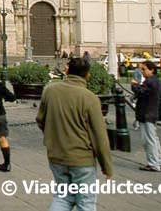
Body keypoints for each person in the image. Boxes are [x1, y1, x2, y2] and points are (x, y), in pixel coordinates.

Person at [37, 57, 113, 211]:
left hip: (56, 156)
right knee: (86, 202)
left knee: (62, 197)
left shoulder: (50, 90)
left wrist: (53, 137)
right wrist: (107, 166)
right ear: (88, 75)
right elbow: (99, 136)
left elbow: (40, 120)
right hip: (82, 159)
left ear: (67, 70)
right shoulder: (90, 98)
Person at [132, 60, 161, 172]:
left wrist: (134, 85)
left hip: (146, 114)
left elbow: (141, 92)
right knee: (154, 139)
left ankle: (153, 163)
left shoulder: (149, 82)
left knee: (148, 140)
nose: (142, 72)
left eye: (144, 69)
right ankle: (159, 161)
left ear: (152, 70)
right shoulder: (158, 81)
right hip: (153, 113)